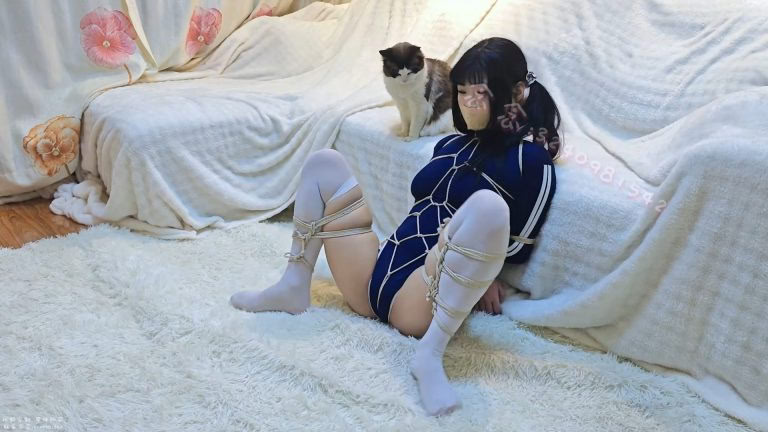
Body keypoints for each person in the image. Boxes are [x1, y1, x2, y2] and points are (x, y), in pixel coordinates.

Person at [230, 37, 561, 416]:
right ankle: (293, 285)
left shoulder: (531, 162)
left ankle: (429, 355)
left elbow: (516, 245)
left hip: (419, 299)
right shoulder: (450, 146)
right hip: (372, 277)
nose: (468, 103)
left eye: (481, 93)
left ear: (515, 94)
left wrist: (482, 271)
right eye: (462, 91)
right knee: (324, 163)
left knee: (488, 205)